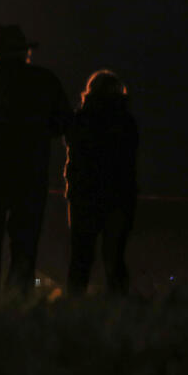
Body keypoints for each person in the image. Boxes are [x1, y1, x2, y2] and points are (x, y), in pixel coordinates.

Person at [0, 24, 72, 293]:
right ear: (25, 53)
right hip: (29, 174)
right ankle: (19, 303)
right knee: (25, 245)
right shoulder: (44, 81)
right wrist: (39, 135)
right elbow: (64, 122)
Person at [64, 70, 138, 296]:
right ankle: (120, 307)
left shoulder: (80, 119)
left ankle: (74, 305)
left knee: (81, 256)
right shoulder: (125, 121)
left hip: (84, 194)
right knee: (114, 257)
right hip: (118, 196)